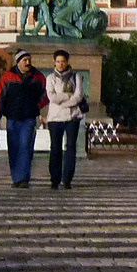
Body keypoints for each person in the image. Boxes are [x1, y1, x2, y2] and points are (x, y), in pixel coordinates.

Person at [0, 49, 46, 187]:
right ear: (18, 62)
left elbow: (46, 95)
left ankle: (22, 178)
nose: (28, 63)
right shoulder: (7, 77)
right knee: (14, 148)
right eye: (25, 60)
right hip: (12, 118)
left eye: (29, 60)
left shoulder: (38, 77)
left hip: (29, 118)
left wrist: (37, 107)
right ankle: (17, 177)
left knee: (25, 146)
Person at [44, 49, 84, 189]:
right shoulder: (50, 78)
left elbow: (78, 95)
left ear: (67, 62)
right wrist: (68, 96)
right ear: (54, 62)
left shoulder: (76, 77)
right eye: (58, 61)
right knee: (55, 148)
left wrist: (64, 101)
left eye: (63, 61)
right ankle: (54, 179)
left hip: (72, 117)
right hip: (55, 118)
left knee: (71, 148)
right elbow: (52, 97)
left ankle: (67, 179)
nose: (60, 64)